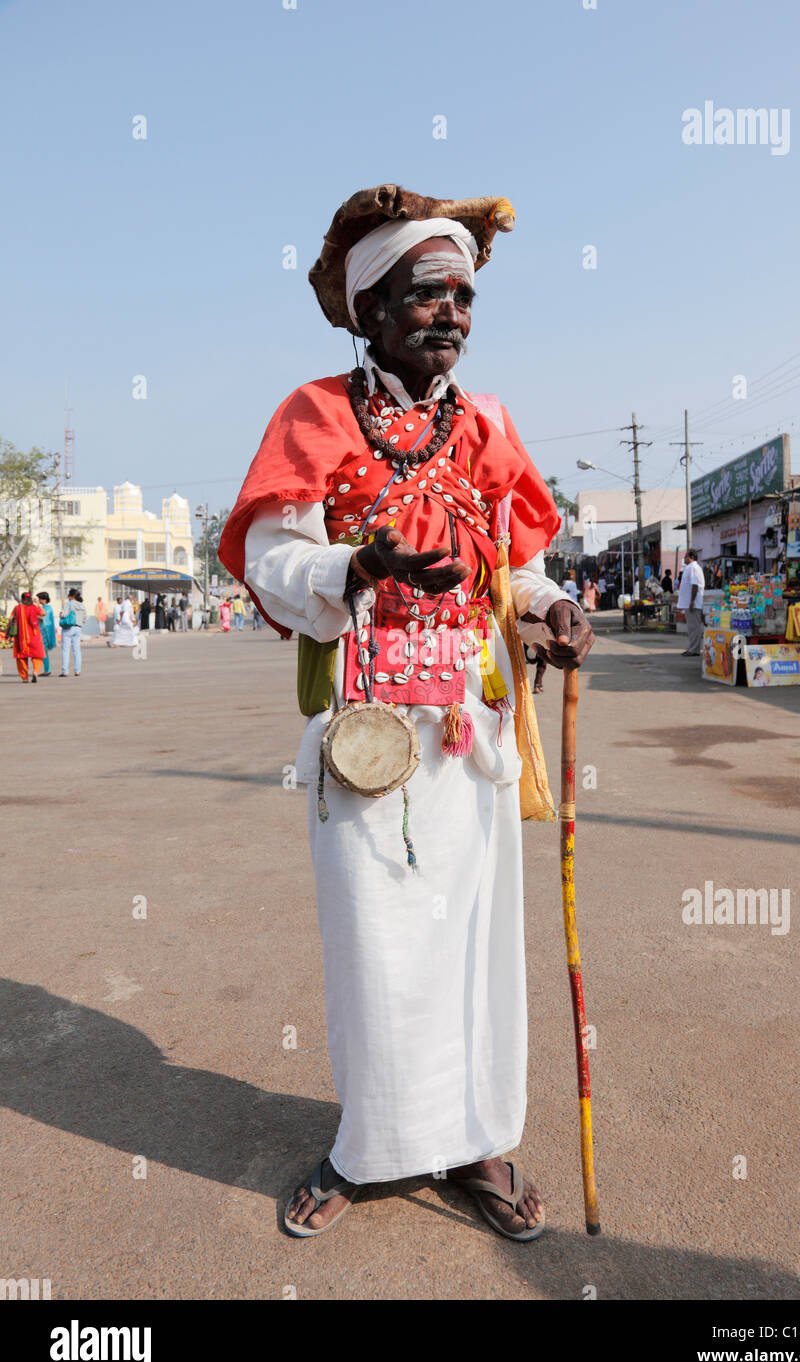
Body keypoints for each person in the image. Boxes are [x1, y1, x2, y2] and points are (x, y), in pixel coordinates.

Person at [218, 185, 594, 1243]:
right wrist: (354, 563)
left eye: (465, 298)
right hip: (362, 741)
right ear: (370, 305)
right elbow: (269, 554)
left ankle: (479, 1140)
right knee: (376, 948)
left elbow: (517, 568)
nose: (454, 316)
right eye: (429, 296)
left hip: (468, 741)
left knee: (476, 945)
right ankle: (371, 1149)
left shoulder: (487, 425)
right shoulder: (314, 415)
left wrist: (554, 605)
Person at [8, 592, 45, 682]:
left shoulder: (17, 608)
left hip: (21, 637)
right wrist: (37, 604)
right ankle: (35, 672)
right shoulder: (34, 608)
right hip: (34, 636)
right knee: (37, 656)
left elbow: (11, 618)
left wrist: (8, 631)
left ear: (21, 599)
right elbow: (43, 613)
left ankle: (25, 677)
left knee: (21, 657)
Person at [678, 548, 705, 655]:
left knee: (694, 627)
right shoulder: (690, 568)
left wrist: (692, 601)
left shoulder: (694, 567)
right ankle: (692, 648)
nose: (684, 558)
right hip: (690, 602)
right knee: (691, 627)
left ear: (691, 557)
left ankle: (694, 649)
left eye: (686, 556)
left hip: (693, 603)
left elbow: (695, 585)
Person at [59, 587, 87, 677]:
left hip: (68, 628)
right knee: (77, 650)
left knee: (66, 650)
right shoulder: (82, 605)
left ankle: (65, 671)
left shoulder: (68, 604)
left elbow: (64, 614)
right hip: (78, 628)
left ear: (71, 596)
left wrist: (61, 614)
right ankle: (77, 670)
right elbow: (85, 618)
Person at [36, 591, 57, 675]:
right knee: (43, 652)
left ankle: (47, 670)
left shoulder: (47, 608)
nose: (38, 601)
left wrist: (33, 614)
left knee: (43, 651)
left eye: (39, 599)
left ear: (43, 600)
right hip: (42, 632)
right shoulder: (45, 607)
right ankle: (46, 669)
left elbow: (43, 618)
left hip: (45, 633)